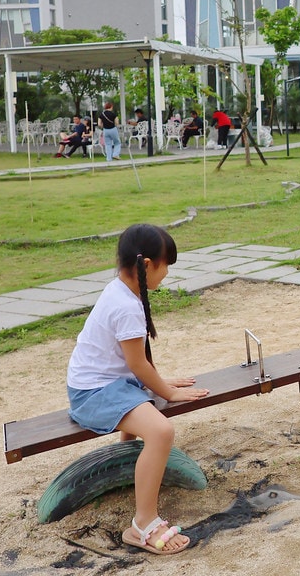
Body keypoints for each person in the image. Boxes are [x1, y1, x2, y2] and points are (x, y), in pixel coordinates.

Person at [66, 224, 209, 555]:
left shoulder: (120, 289)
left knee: (153, 407)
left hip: (105, 384)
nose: (167, 273)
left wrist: (159, 383)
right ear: (147, 265)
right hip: (93, 394)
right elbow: (137, 365)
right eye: (166, 265)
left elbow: (136, 362)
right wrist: (167, 392)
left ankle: (128, 461)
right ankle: (143, 522)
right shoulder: (127, 306)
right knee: (161, 431)